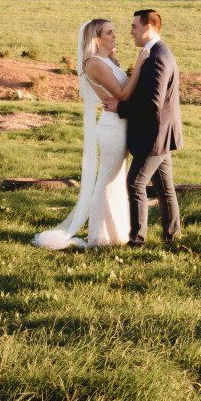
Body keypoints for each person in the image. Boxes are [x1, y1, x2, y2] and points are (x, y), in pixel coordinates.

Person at [32, 17, 136, 249]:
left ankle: (116, 232)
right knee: (108, 178)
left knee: (116, 178)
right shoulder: (94, 64)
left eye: (113, 32)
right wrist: (139, 67)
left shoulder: (106, 61)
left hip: (119, 123)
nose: (114, 35)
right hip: (112, 128)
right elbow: (122, 93)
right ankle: (100, 235)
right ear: (97, 39)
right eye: (109, 32)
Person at [110, 7, 183, 247]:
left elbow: (153, 102)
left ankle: (137, 240)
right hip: (160, 133)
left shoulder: (157, 57)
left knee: (135, 183)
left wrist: (120, 109)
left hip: (154, 134)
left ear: (148, 27)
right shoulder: (155, 53)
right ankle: (172, 237)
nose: (130, 31)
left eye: (134, 26)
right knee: (164, 187)